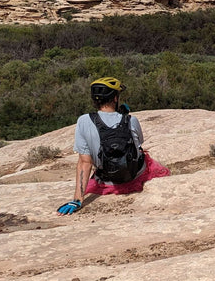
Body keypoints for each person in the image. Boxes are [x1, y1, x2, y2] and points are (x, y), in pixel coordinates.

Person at [57, 77, 169, 214]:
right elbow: (138, 143)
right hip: (134, 176)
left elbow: (84, 162)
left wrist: (77, 199)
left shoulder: (83, 121)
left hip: (106, 181)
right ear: (115, 98)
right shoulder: (131, 120)